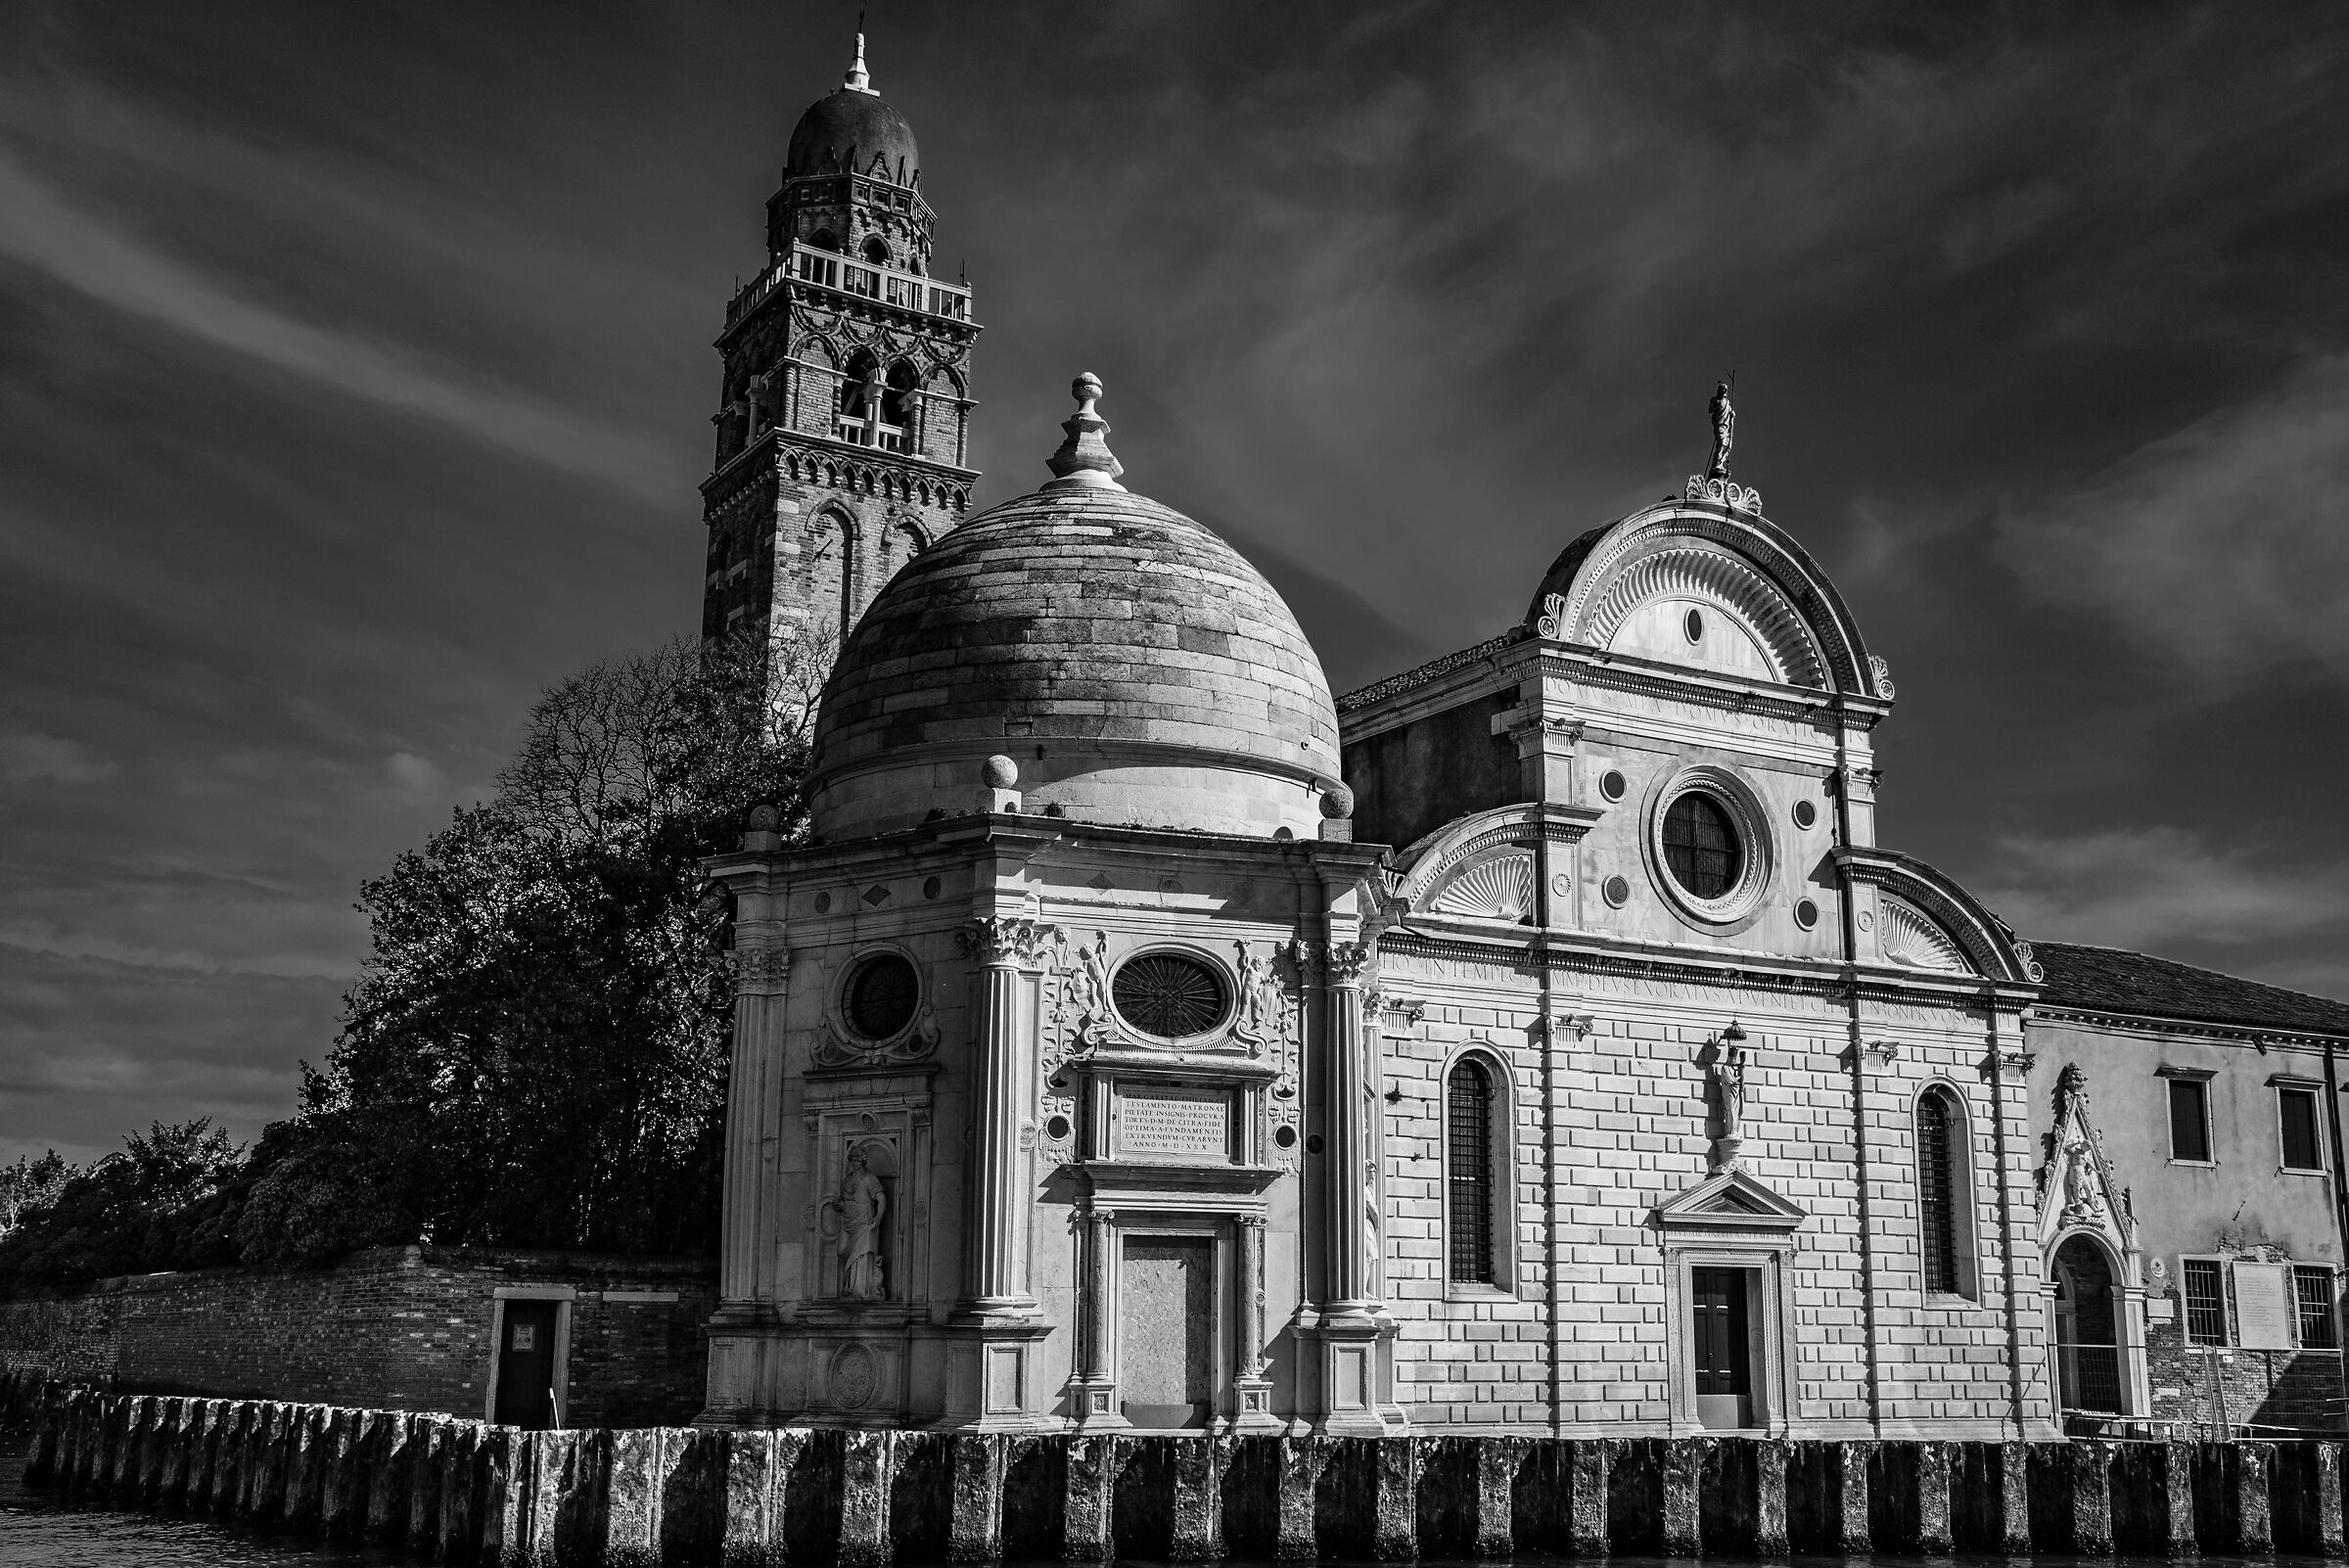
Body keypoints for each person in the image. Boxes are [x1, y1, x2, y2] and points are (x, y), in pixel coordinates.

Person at [836, 1147, 888, 1300]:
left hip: (865, 1222)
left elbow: (882, 1200)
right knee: (841, 1251)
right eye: (853, 1159)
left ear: (863, 1161)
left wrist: (877, 1220)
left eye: (858, 1160)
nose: (855, 1163)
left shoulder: (869, 1178)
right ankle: (848, 1285)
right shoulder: (846, 1180)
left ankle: (859, 1290)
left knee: (862, 1255)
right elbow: (842, 1200)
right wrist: (837, 1204)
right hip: (848, 1221)